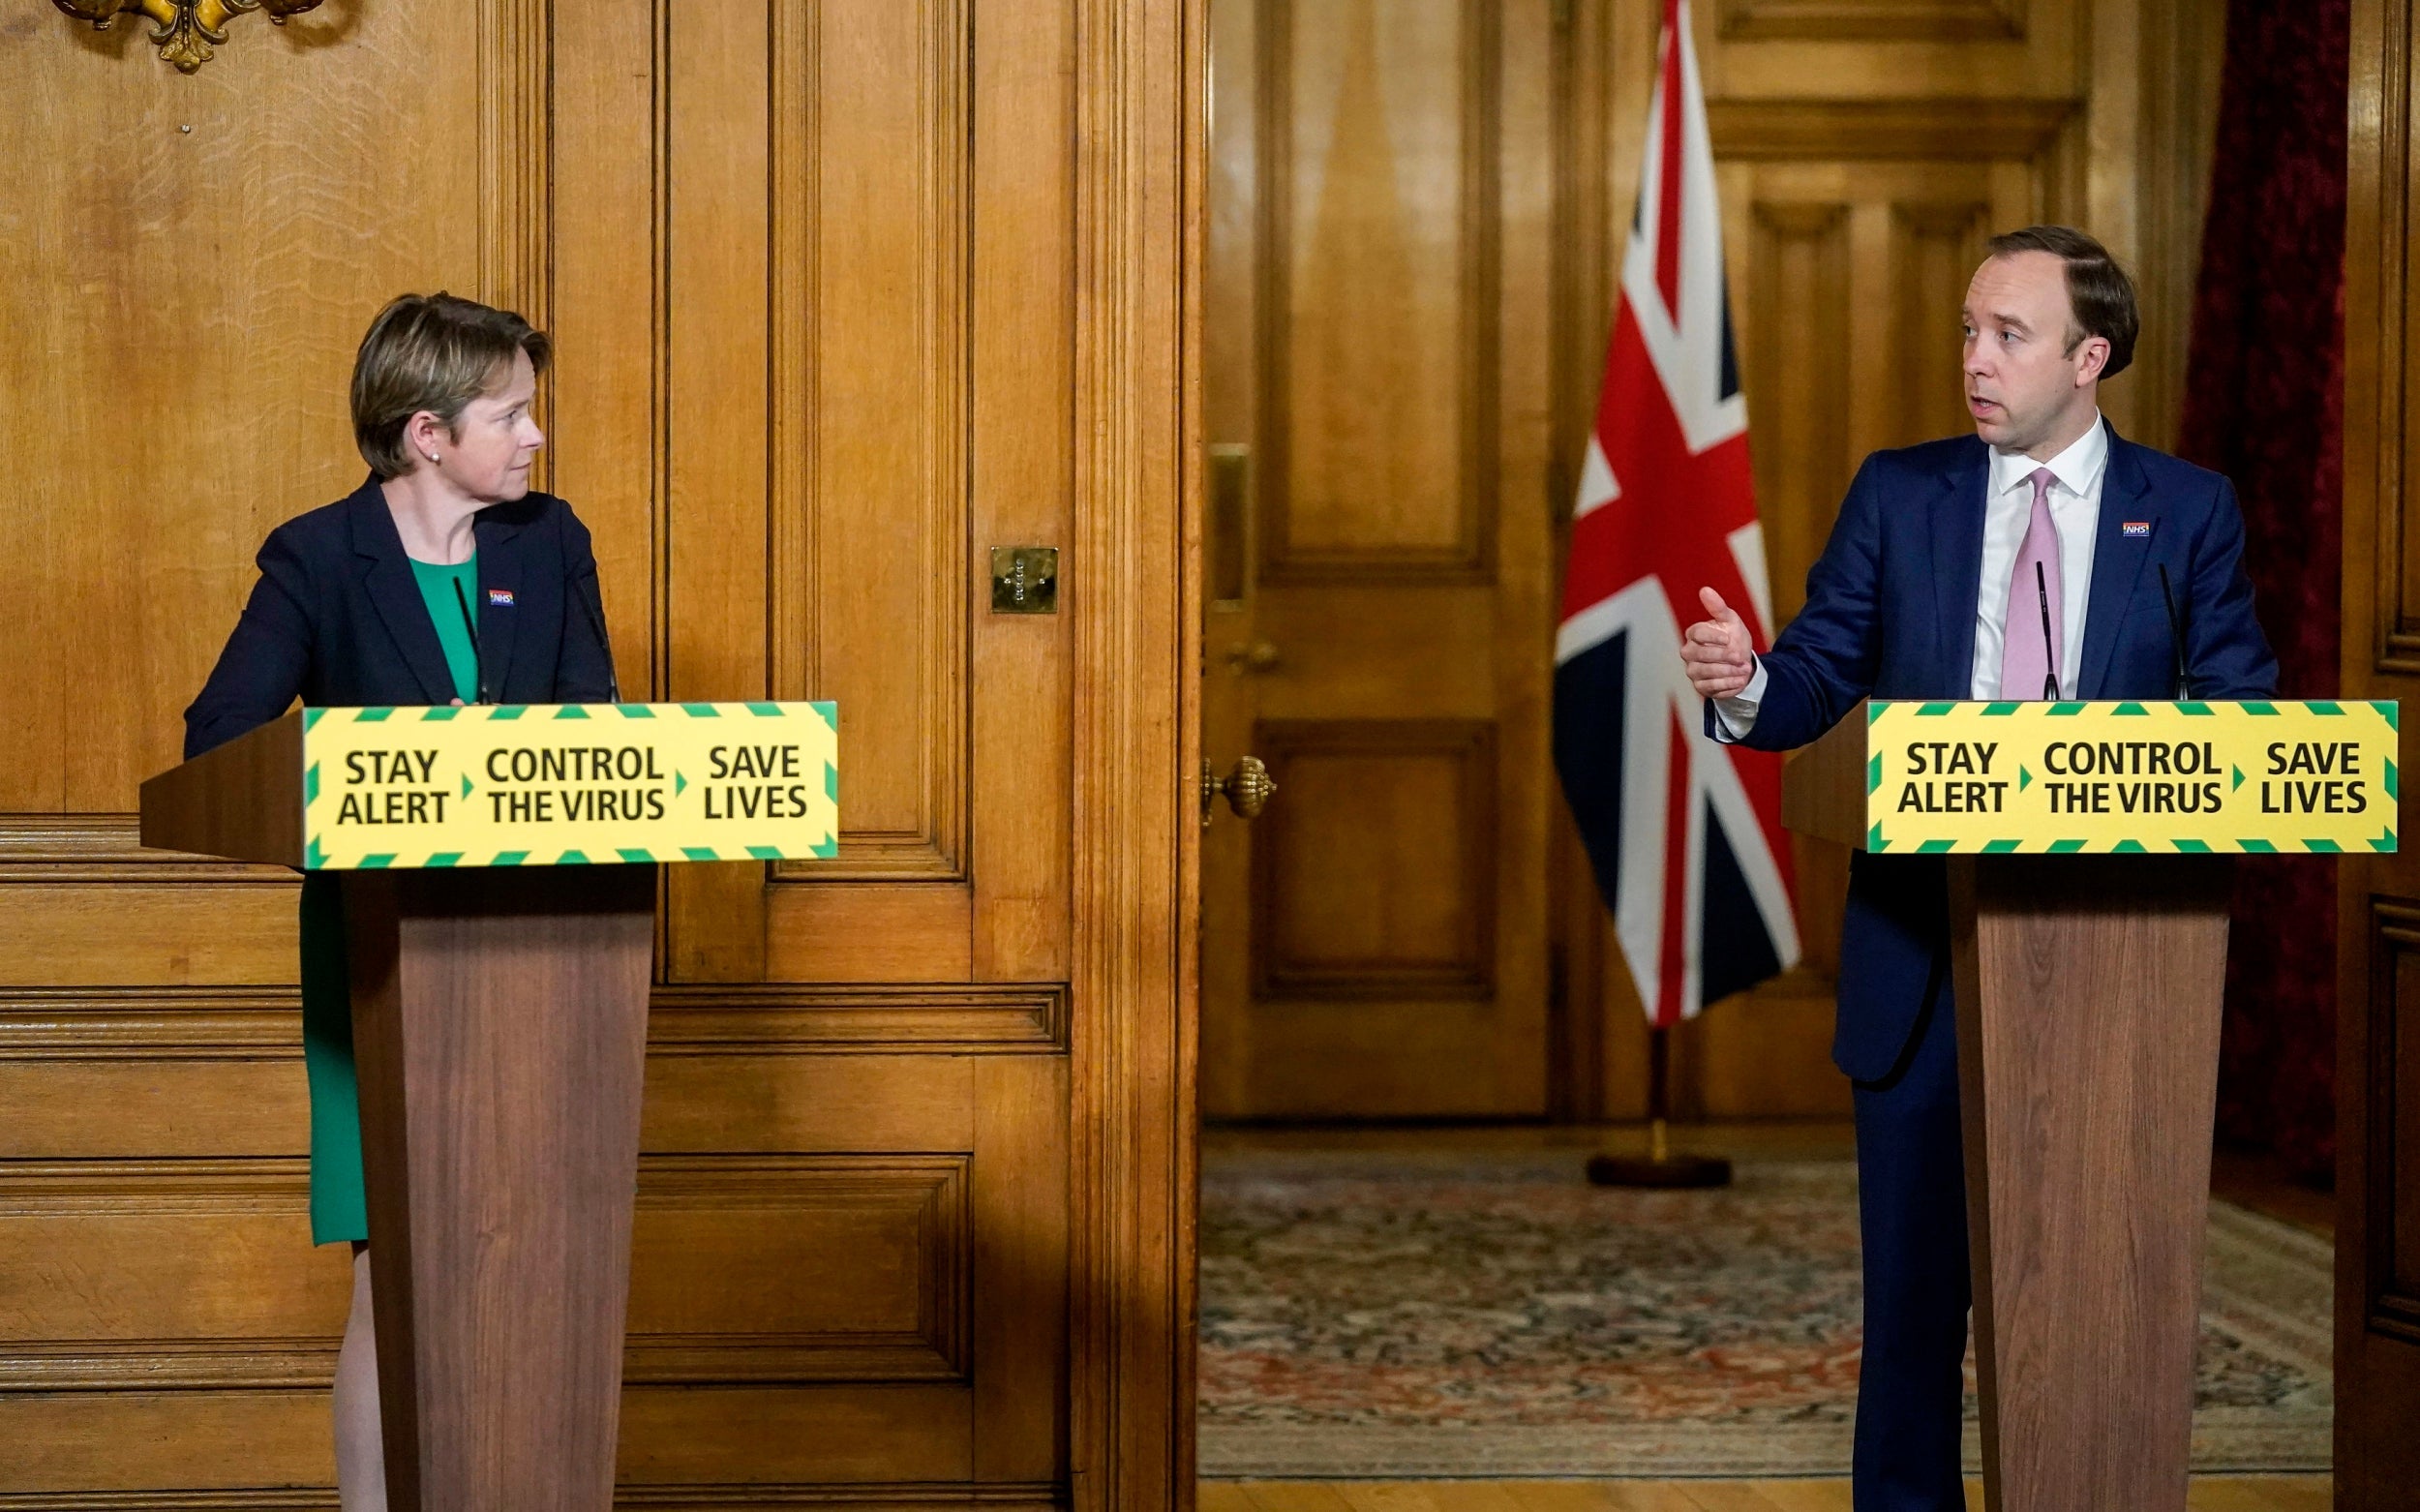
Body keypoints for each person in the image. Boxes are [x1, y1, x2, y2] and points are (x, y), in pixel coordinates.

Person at [1677, 227, 2276, 1511]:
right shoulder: (1905, 492)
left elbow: (2238, 716)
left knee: (2100, 1290)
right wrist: (1750, 683)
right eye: (1967, 329)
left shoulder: (2188, 509)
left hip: (2118, 974)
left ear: (2090, 355)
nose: (1976, 359)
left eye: (2008, 334)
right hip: (1925, 965)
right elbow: (1821, 672)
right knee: (1911, 1302)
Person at [182, 292, 618, 1508]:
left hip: (539, 956)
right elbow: (222, 740)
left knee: (527, 1258)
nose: (534, 436)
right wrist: (387, 775)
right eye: (511, 414)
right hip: (379, 964)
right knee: (400, 1265)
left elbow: (597, 727)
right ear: (427, 433)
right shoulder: (318, 554)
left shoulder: (549, 540)